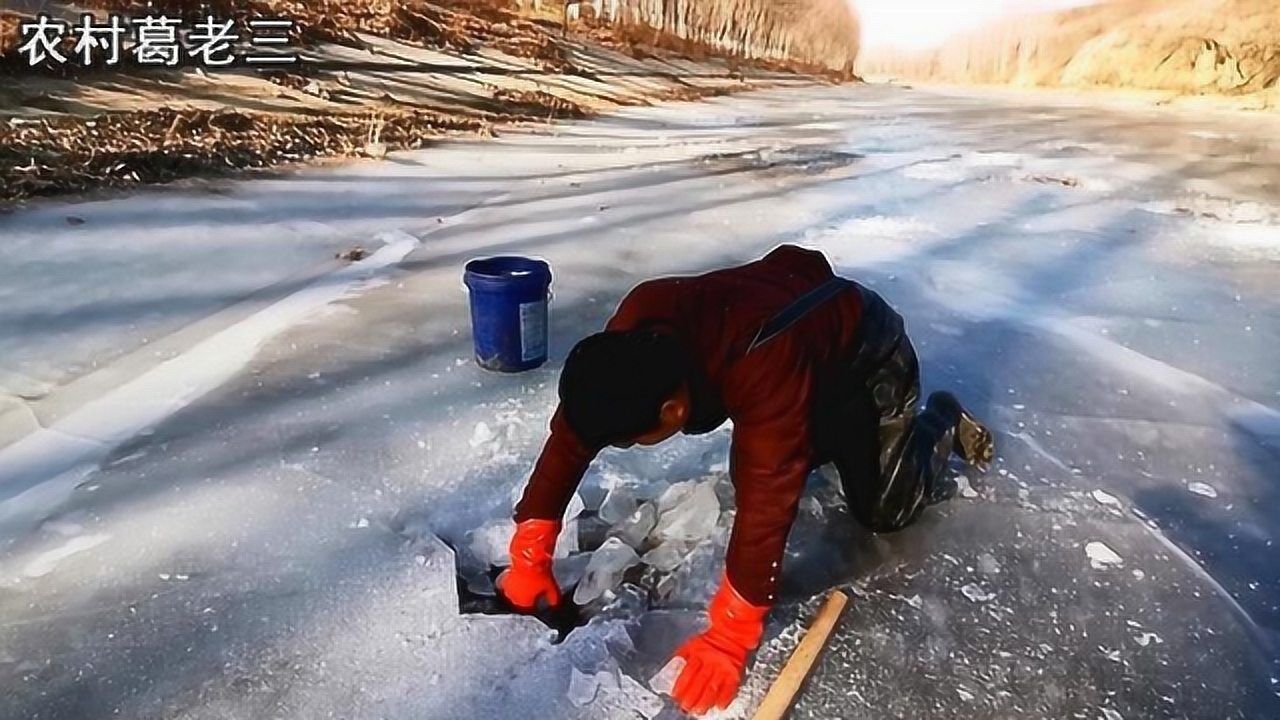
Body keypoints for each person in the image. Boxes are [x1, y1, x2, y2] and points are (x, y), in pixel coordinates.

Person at [496, 244, 994, 715]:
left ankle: (938, 420)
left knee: (883, 508)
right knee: (777, 448)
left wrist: (732, 633)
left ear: (674, 410)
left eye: (631, 441)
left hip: (867, 353)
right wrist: (530, 551)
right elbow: (577, 427)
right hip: (802, 342)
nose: (623, 447)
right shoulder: (637, 326)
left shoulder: (763, 362)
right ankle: (838, 435)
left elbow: (768, 498)